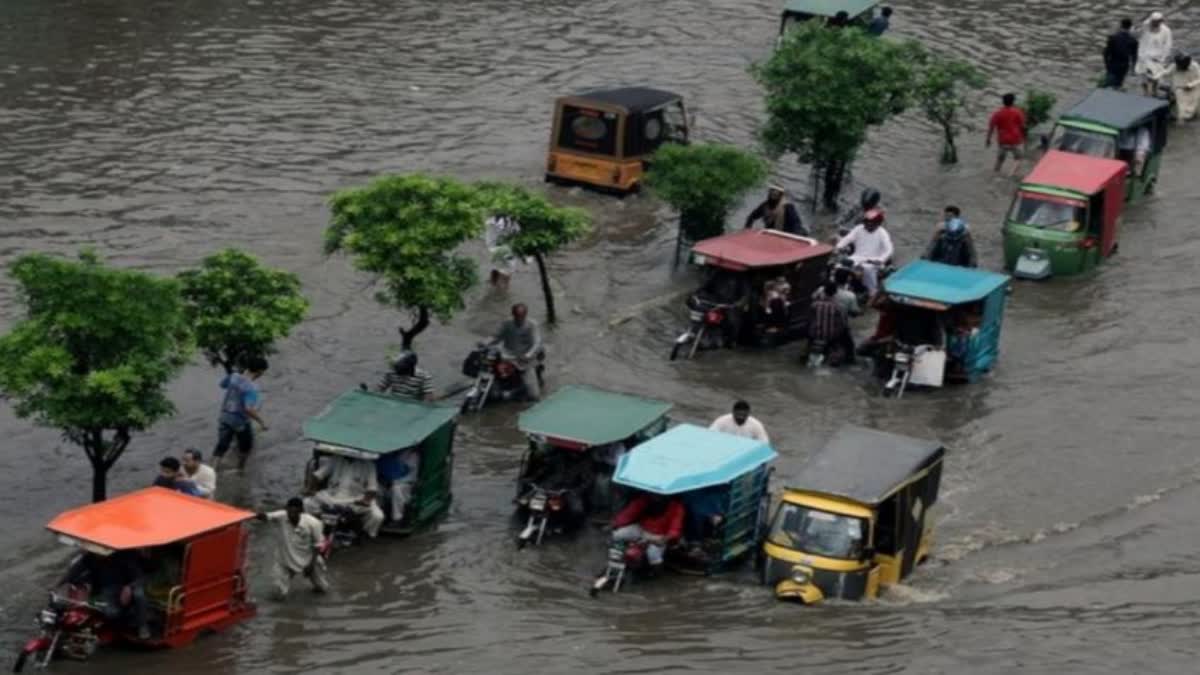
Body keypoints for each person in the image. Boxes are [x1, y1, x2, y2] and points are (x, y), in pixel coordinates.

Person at [59, 549, 150, 639]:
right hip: (106, 588)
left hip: (126, 586)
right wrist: (61, 583)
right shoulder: (90, 557)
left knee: (139, 595)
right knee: (108, 612)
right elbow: (74, 571)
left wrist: (129, 587)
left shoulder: (124, 556)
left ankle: (142, 625)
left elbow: (140, 578)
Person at [257, 498, 328, 599]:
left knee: (322, 589)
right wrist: (254, 515)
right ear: (286, 509)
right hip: (286, 560)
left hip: (309, 559)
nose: (291, 515)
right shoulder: (281, 516)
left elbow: (318, 545)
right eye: (289, 512)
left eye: (295, 512)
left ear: (301, 511)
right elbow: (265, 516)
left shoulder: (314, 523)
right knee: (278, 595)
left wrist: (311, 565)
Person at [305, 454, 385, 538]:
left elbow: (372, 488)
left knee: (377, 516)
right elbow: (318, 475)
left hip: (356, 500)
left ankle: (364, 534)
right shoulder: (336, 459)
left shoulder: (369, 465)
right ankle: (316, 527)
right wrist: (310, 488)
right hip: (332, 497)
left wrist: (366, 500)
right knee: (307, 503)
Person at [213, 356, 269, 471]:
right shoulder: (252, 388)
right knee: (246, 448)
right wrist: (262, 422)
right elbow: (248, 409)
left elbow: (222, 385)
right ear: (260, 371)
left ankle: (213, 471)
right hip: (240, 422)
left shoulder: (234, 376)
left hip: (224, 417)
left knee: (221, 446)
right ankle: (240, 470)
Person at [610, 492, 686, 573]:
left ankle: (655, 571)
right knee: (618, 534)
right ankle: (616, 558)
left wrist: (665, 539)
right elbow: (629, 513)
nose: (656, 498)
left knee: (653, 556)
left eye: (659, 496)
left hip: (659, 535)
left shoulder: (677, 507)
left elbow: (675, 529)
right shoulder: (645, 499)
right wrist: (616, 523)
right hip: (641, 529)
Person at [835, 207, 894, 298]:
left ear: (877, 223)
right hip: (857, 257)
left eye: (871, 223)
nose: (868, 225)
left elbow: (889, 249)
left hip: (873, 260)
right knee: (839, 266)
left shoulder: (882, 233)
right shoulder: (859, 228)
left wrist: (880, 259)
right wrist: (838, 247)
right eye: (867, 222)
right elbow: (848, 238)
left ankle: (872, 291)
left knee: (868, 270)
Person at [491, 303, 544, 401]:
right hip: (508, 356)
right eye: (516, 316)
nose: (519, 319)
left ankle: (516, 393)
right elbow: (496, 338)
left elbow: (537, 342)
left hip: (524, 360)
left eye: (521, 316)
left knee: (534, 396)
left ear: (525, 315)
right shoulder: (506, 324)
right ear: (513, 314)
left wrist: (528, 355)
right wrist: (485, 343)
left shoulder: (532, 325)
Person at [809, 282, 855, 366]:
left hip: (815, 335)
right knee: (849, 343)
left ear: (824, 291)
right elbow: (842, 324)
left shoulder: (814, 305)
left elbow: (810, 320)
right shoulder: (838, 307)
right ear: (835, 293)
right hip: (832, 336)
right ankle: (850, 359)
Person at [986, 93, 1027, 176]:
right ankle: (1010, 174)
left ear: (1003, 102)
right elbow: (1023, 126)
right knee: (1018, 158)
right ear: (1013, 102)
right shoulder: (1018, 112)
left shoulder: (997, 114)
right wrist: (1025, 138)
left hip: (1002, 141)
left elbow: (991, 127)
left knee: (1000, 160)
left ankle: (995, 174)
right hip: (1015, 140)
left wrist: (988, 139)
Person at [375, 449, 419, 524]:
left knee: (397, 489)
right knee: (377, 487)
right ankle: (380, 514)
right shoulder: (392, 452)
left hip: (405, 485)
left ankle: (397, 519)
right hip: (388, 482)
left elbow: (402, 471)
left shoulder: (413, 454)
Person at [744, 185, 808, 236]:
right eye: (772, 191)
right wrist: (747, 231)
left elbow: (796, 224)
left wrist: (794, 239)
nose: (773, 193)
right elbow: (752, 217)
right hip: (770, 235)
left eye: (776, 193)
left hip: (786, 236)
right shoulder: (765, 206)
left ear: (780, 195)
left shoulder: (788, 207)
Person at [1136, 12, 1172, 96]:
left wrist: (1164, 57)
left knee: (1155, 77)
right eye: (1153, 21)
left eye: (1157, 21)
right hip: (1143, 56)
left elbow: (1168, 45)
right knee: (1143, 76)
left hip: (1157, 58)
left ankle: (1154, 92)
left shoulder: (1166, 30)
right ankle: (1145, 92)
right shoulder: (1145, 27)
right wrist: (1144, 24)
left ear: (1160, 21)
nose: (1155, 23)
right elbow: (1136, 34)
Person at [484, 214, 521, 290]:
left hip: (495, 248)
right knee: (506, 270)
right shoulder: (494, 222)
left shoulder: (492, 221)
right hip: (502, 248)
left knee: (498, 266)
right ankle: (502, 288)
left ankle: (495, 284)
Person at [1103, 18, 1139, 90]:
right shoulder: (1133, 41)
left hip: (1112, 64)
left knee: (1107, 84)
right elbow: (1134, 56)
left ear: (1121, 25)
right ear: (1130, 27)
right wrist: (1133, 68)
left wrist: (1107, 64)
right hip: (1124, 65)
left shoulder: (1113, 38)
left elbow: (1106, 53)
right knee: (1118, 84)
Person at [1170, 53, 1200, 121]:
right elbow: (1166, 72)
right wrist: (1155, 76)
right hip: (1180, 87)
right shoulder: (1174, 66)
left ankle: (1191, 113)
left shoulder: (1195, 66)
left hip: (1193, 86)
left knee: (1194, 101)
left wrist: (1191, 85)